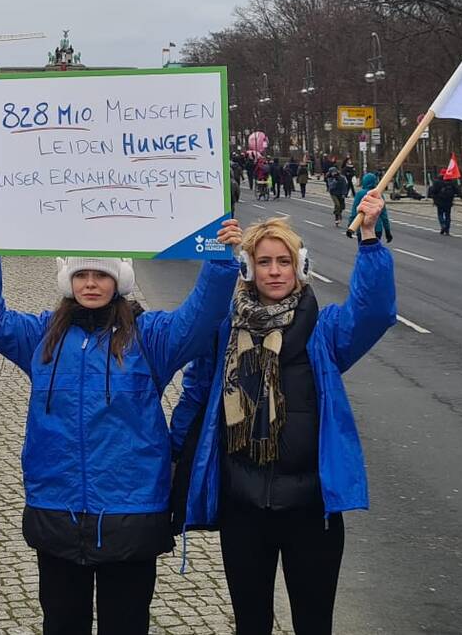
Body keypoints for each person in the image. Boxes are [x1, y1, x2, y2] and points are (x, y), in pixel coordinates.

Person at [0, 222, 240, 635]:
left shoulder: (150, 337)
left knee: (126, 625)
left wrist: (220, 261)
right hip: (57, 509)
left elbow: (199, 319)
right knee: (61, 624)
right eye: (81, 275)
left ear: (119, 281)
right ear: (68, 280)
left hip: (130, 514)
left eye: (101, 275)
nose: (91, 284)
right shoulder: (42, 337)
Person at [170, 195, 394, 635]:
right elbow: (196, 395)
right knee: (251, 624)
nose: (275, 271)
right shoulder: (224, 330)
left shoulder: (324, 331)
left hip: (310, 511)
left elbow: (373, 313)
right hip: (244, 507)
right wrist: (173, 451)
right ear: (248, 270)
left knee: (314, 624)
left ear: (300, 268)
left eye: (284, 261)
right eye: (264, 261)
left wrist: (369, 238)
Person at [346, 173, 393, 243]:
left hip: (362, 229)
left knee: (364, 251)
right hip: (377, 228)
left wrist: (350, 227)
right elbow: (384, 215)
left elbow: (354, 212)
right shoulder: (378, 195)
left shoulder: (360, 194)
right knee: (375, 250)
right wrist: (387, 231)